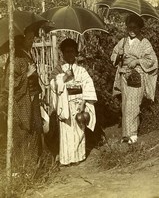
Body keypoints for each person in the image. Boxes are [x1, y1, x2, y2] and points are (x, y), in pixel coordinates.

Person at [111, 14, 158, 144]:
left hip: (137, 75)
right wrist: (119, 56)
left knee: (134, 104)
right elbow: (113, 57)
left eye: (135, 27)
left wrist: (137, 61)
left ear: (140, 28)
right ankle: (126, 134)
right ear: (126, 28)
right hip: (124, 75)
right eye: (129, 27)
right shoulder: (123, 41)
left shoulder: (144, 42)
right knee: (126, 104)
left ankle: (132, 134)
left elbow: (152, 60)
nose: (132, 30)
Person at [50, 38, 97, 166]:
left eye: (72, 51)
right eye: (66, 52)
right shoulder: (59, 69)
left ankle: (78, 157)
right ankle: (66, 159)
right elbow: (53, 85)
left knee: (78, 131)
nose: (69, 54)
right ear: (62, 54)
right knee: (66, 132)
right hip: (65, 104)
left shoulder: (81, 70)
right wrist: (64, 77)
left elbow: (88, 85)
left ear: (76, 53)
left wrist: (84, 102)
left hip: (78, 103)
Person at [3, 29, 43, 171]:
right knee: (23, 132)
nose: (32, 41)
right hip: (22, 102)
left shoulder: (27, 55)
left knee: (35, 130)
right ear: (21, 39)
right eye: (29, 39)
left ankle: (34, 166)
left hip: (32, 98)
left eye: (33, 38)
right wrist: (27, 74)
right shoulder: (15, 58)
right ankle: (22, 168)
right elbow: (9, 84)